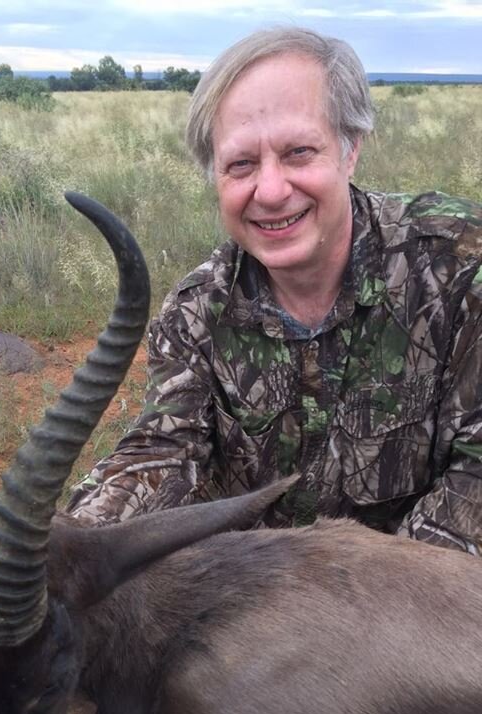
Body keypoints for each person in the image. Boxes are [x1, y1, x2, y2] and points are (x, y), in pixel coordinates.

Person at [66, 27, 482, 553]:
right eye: (241, 164)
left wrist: (363, 606)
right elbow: (163, 451)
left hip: (418, 603)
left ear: (350, 149)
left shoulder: (461, 266)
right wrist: (71, 547)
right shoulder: (196, 313)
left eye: (299, 152)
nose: (270, 190)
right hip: (260, 605)